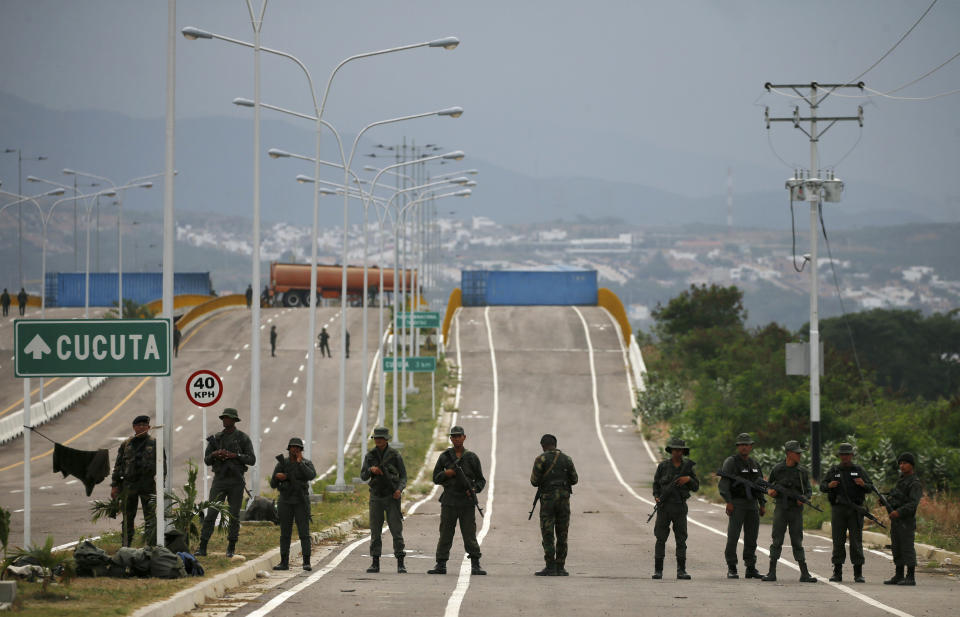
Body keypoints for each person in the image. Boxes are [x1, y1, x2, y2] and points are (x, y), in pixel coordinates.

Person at [427, 425, 487, 576]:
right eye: (453, 436)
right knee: (445, 533)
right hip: (449, 501)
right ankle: (441, 564)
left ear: (464, 437)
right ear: (451, 439)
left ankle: (475, 564)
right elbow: (435, 478)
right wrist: (446, 473)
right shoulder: (445, 457)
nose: (456, 438)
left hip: (466, 502)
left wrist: (474, 490)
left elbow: (481, 480)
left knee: (469, 534)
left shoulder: (471, 457)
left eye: (459, 436)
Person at [197, 408, 256, 557]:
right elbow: (206, 459)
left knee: (234, 515)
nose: (225, 421)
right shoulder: (216, 439)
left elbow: (251, 459)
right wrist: (216, 454)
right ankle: (203, 546)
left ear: (234, 420)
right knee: (211, 513)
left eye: (228, 418)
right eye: (224, 418)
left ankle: (231, 546)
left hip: (236, 481)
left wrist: (234, 455)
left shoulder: (242, 438)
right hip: (220, 480)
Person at [761, 441, 817, 583]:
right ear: (788, 453)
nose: (799, 455)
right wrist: (770, 492)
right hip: (781, 507)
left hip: (796, 510)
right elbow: (768, 485)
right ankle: (771, 572)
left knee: (797, 540)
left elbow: (809, 490)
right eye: (796, 453)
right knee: (777, 539)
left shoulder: (802, 471)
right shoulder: (778, 469)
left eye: (799, 453)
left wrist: (803, 498)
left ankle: (804, 573)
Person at [821, 442, 873, 583]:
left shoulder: (859, 470)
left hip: (855, 510)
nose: (845, 457)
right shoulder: (834, 470)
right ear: (839, 456)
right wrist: (829, 485)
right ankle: (837, 572)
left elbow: (870, 487)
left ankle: (858, 573)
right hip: (839, 509)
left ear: (851, 455)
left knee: (856, 541)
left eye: (847, 454)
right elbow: (822, 486)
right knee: (838, 541)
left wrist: (863, 484)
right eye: (842, 454)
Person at [718, 432, 766, 579]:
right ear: (738, 447)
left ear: (751, 447)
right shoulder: (731, 462)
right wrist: (729, 501)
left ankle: (750, 567)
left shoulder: (755, 464)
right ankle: (732, 567)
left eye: (747, 445)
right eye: (742, 445)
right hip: (737, 503)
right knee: (733, 536)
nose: (744, 447)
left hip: (752, 504)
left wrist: (762, 503)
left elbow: (759, 486)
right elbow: (724, 484)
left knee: (752, 537)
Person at [360, 426, 407, 574]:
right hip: (376, 496)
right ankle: (375, 562)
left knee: (396, 531)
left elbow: (403, 477)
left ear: (386, 439)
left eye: (381, 438)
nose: (378, 441)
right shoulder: (370, 456)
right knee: (375, 531)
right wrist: (370, 470)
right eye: (376, 438)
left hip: (391, 497)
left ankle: (400, 562)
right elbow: (363, 476)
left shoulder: (394, 455)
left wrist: (399, 490)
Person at [110, 415, 163, 547]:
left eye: (144, 425)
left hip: (147, 484)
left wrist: (163, 484)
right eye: (138, 425)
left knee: (150, 516)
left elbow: (163, 464)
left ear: (149, 427)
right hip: (129, 485)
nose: (141, 427)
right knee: (128, 517)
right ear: (134, 427)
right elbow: (118, 466)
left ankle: (152, 545)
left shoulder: (155, 443)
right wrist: (115, 486)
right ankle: (126, 545)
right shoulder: (126, 444)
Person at [531, 433, 578, 577]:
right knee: (562, 533)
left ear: (543, 446)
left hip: (548, 501)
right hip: (564, 501)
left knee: (548, 532)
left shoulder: (541, 459)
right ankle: (561, 567)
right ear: (555, 444)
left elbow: (534, 481)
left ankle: (550, 566)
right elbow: (575, 479)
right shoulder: (567, 459)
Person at [651, 438, 698, 580]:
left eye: (680, 450)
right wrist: (657, 497)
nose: (677, 452)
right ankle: (658, 570)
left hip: (680, 507)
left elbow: (696, 487)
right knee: (660, 538)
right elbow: (656, 485)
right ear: (671, 451)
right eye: (675, 450)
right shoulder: (663, 466)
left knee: (681, 539)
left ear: (683, 451)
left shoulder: (688, 468)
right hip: (664, 507)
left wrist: (688, 480)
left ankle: (681, 570)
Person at [269, 437, 316, 571]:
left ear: (301, 450)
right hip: (285, 500)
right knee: (285, 533)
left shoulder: (306, 463)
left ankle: (306, 562)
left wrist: (300, 463)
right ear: (289, 449)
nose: (294, 450)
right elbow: (273, 484)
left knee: (304, 533)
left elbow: (311, 475)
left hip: (301, 501)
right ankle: (284, 562)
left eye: (297, 448)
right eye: (292, 447)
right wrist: (278, 477)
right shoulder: (282, 464)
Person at [883, 452, 923, 586]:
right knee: (896, 547)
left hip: (906, 521)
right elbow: (896, 498)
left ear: (911, 465)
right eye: (900, 463)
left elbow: (912, 504)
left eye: (905, 463)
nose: (902, 466)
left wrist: (898, 512)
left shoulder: (915, 483)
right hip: (897, 521)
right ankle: (898, 574)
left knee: (907, 548)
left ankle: (910, 576)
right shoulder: (901, 481)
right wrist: (885, 501)